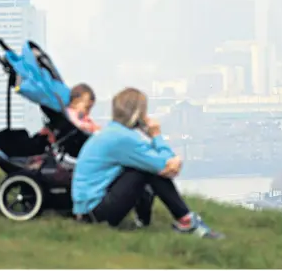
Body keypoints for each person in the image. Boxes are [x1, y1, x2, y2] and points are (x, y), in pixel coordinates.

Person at [71, 87, 224, 239]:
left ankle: (146, 222)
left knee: (144, 166)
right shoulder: (124, 138)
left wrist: (167, 161)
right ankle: (186, 221)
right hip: (94, 213)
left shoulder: (113, 133)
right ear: (138, 114)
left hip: (85, 211)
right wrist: (156, 136)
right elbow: (163, 165)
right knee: (146, 171)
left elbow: (157, 160)